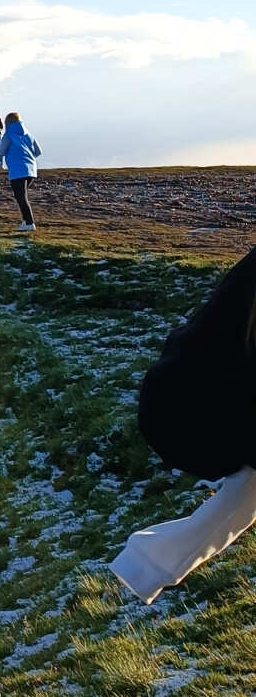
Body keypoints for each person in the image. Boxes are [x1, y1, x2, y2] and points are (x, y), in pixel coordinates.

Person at [110, 248, 256, 603]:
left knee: (252, 487)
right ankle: (147, 564)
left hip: (189, 397)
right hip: (192, 408)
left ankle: (145, 566)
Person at [0, 112, 41, 231]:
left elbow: (1, 152)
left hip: (17, 171)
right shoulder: (29, 134)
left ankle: (30, 223)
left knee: (21, 197)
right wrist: (28, 158)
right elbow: (38, 151)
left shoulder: (9, 135)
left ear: (8, 123)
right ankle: (26, 222)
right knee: (21, 196)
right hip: (31, 170)